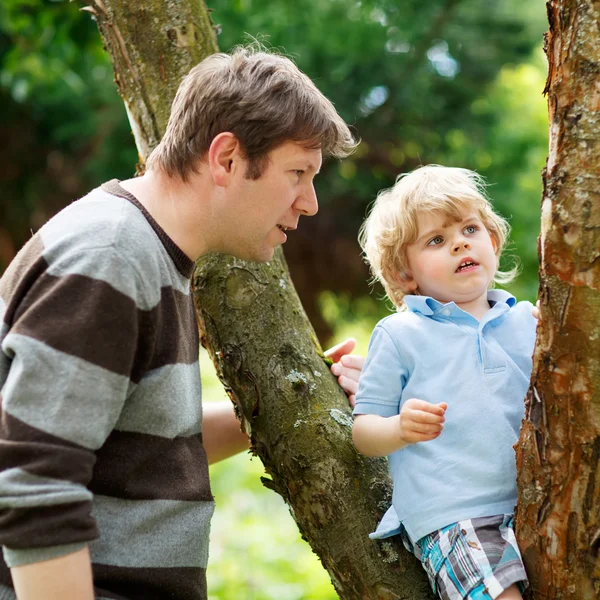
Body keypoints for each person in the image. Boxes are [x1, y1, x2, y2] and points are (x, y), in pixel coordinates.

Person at [0, 46, 362, 600]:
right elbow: (33, 484)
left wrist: (313, 397)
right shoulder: (110, 259)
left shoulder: (148, 255)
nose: (309, 203)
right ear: (227, 159)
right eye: (298, 173)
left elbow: (134, 448)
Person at [352, 165, 538, 600]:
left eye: (470, 228)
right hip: (456, 516)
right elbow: (363, 432)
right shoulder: (401, 334)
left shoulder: (525, 321)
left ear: (491, 241)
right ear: (404, 273)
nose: (460, 242)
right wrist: (398, 428)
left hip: (535, 499)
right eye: (436, 240)